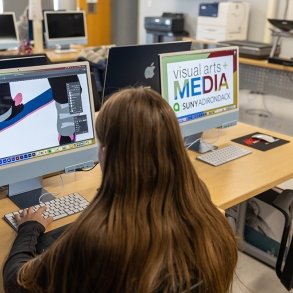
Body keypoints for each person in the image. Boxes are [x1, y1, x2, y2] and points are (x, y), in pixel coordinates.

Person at [3, 87, 238, 293]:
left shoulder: (98, 236)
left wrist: (29, 228)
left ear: (109, 153)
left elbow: (18, 282)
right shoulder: (203, 206)